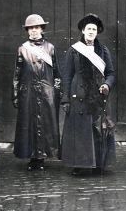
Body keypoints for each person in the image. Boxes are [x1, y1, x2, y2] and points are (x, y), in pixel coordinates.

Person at [61, 13, 116, 175]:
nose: (91, 32)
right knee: (81, 130)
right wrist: (66, 98)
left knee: (97, 129)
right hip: (79, 95)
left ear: (97, 32)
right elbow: (67, 75)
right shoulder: (74, 51)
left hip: (99, 96)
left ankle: (99, 163)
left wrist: (107, 84)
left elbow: (111, 73)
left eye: (94, 29)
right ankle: (80, 164)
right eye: (88, 29)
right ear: (83, 31)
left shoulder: (103, 50)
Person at [12, 14, 61, 171]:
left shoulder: (50, 48)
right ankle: (32, 156)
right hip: (28, 92)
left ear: (42, 29)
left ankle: (41, 157)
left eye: (36, 27)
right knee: (29, 124)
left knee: (45, 124)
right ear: (27, 31)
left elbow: (57, 73)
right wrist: (15, 94)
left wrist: (56, 92)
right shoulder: (22, 48)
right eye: (30, 28)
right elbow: (17, 73)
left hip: (46, 92)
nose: (34, 30)